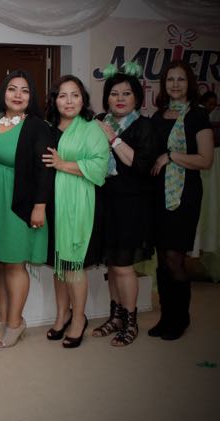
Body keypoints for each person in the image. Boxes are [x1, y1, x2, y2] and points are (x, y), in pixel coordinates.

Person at [0, 70, 54, 348]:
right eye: (12, 88)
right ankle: (3, 321)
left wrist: (40, 206)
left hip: (21, 202)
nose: (17, 95)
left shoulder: (38, 126)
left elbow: (45, 170)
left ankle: (16, 322)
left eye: (24, 90)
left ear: (31, 97)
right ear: (3, 92)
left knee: (14, 263)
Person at [93, 65, 158, 346]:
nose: (120, 98)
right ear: (106, 98)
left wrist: (113, 138)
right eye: (114, 93)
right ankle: (116, 316)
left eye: (126, 93)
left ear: (137, 98)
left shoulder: (144, 126)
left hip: (131, 205)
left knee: (123, 265)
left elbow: (139, 164)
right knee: (111, 264)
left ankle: (131, 321)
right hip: (104, 202)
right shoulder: (98, 121)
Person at [148, 60, 213, 340]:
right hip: (157, 195)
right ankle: (166, 317)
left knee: (175, 258)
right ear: (164, 84)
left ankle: (180, 318)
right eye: (170, 79)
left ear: (190, 84)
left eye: (181, 79)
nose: (175, 84)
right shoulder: (158, 115)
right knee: (162, 259)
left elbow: (205, 160)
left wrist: (171, 156)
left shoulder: (198, 115)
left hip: (184, 195)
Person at [42, 75, 109, 348]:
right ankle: (62, 315)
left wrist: (62, 164)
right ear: (54, 100)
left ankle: (79, 318)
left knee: (73, 266)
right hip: (52, 204)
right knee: (58, 265)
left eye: (75, 95)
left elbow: (99, 167)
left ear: (83, 100)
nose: (69, 101)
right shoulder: (48, 128)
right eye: (62, 95)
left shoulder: (92, 129)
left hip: (79, 205)